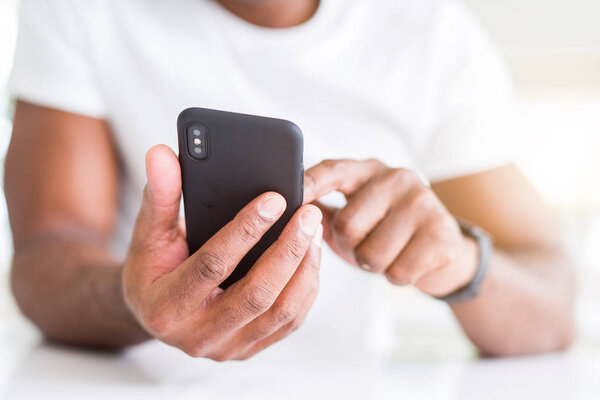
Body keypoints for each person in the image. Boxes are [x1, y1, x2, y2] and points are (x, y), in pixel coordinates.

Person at [4, 0, 574, 362]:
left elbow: (553, 309)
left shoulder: (431, 34)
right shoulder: (78, 9)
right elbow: (43, 259)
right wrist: (135, 300)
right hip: (122, 383)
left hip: (340, 381)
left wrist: (459, 263)